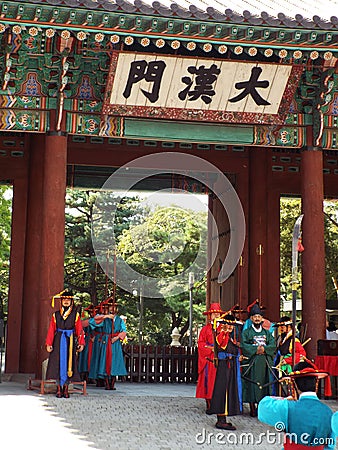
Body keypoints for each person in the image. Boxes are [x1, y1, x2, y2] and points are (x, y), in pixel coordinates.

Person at [258, 360, 336, 449]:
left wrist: (284, 399)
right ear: (316, 384)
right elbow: (330, 446)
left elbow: (262, 408)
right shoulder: (328, 413)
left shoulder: (287, 407)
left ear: (295, 384)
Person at [45, 289, 85, 398]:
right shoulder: (56, 315)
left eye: (68, 299)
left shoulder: (75, 315)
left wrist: (81, 343)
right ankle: (59, 388)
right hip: (58, 340)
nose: (66, 301)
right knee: (57, 362)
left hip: (70, 341)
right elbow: (51, 330)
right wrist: (49, 343)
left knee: (69, 363)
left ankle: (66, 388)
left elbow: (79, 329)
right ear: (61, 301)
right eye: (64, 299)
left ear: (71, 301)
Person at [240, 301, 276, 417]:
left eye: (259, 317)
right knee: (251, 384)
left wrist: (264, 350)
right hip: (252, 362)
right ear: (251, 319)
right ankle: (252, 407)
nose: (257, 319)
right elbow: (244, 345)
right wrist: (255, 350)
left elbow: (273, 345)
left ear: (262, 319)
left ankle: (262, 407)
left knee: (265, 384)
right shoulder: (246, 332)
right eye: (254, 317)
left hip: (264, 363)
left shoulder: (267, 333)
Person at [209, 313, 243, 430]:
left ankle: (224, 417)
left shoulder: (229, 336)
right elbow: (222, 346)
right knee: (222, 390)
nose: (230, 327)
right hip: (224, 365)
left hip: (231, 365)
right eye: (227, 325)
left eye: (231, 325)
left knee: (229, 389)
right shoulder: (221, 335)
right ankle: (221, 419)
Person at [196, 302, 223, 413]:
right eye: (213, 314)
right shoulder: (205, 329)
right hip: (209, 360)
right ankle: (209, 404)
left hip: (220, 358)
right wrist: (210, 349)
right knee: (209, 383)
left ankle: (220, 405)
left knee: (220, 382)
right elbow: (200, 344)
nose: (216, 315)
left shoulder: (224, 328)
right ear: (209, 316)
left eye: (217, 313)